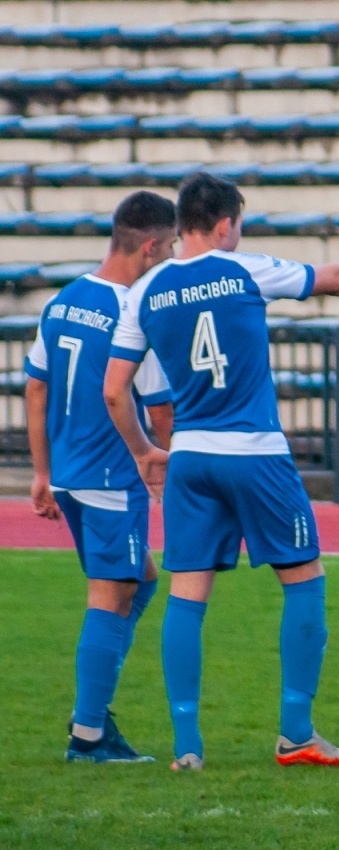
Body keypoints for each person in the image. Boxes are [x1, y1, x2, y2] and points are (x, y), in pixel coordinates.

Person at [103, 171, 339, 770]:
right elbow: (333, 278)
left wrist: (145, 453)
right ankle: (296, 734)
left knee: (188, 595)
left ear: (180, 224)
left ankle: (187, 746)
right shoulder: (242, 269)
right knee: (304, 579)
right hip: (255, 453)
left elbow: (114, 392)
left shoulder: (143, 294)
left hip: (190, 457)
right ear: (226, 224)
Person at [25, 191, 177, 763]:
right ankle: (88, 733)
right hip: (113, 475)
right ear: (150, 245)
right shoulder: (135, 312)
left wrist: (41, 473)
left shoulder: (64, 300)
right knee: (110, 596)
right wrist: (163, 458)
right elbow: (158, 407)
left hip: (69, 472)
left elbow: (35, 388)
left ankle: (95, 707)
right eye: (167, 250)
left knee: (141, 578)